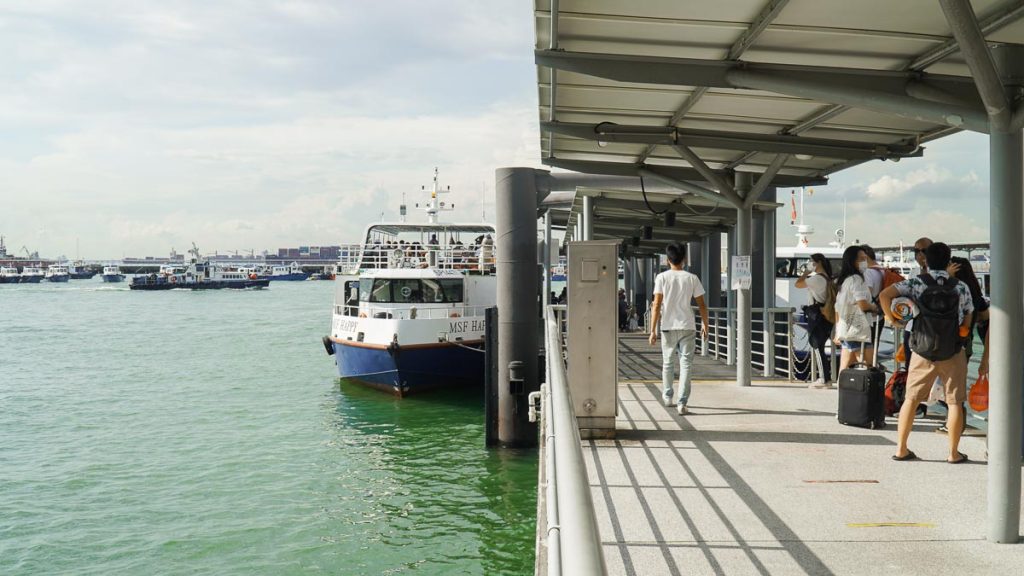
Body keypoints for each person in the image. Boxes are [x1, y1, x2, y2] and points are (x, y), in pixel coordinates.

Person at [881, 242, 973, 463]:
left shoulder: (916, 283)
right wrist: (961, 334)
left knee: (911, 400)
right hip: (952, 350)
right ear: (949, 260)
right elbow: (968, 315)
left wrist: (891, 318)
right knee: (954, 402)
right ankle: (953, 453)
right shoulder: (960, 286)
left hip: (922, 349)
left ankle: (901, 449)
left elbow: (885, 295)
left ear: (926, 260)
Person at [649, 242, 710, 415]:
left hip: (667, 326)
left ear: (667, 260)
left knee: (668, 363)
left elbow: (656, 304)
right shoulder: (692, 278)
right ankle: (682, 403)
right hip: (688, 326)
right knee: (686, 365)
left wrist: (652, 330)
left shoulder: (661, 278)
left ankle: (668, 396)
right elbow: (702, 305)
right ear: (684, 259)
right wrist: (705, 324)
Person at [834, 246, 880, 372]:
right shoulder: (857, 280)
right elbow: (863, 305)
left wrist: (838, 331)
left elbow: (837, 307)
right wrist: (874, 307)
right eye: (861, 259)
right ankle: (865, 391)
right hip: (858, 330)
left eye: (865, 258)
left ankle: (843, 390)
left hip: (846, 328)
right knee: (868, 366)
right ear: (852, 261)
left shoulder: (845, 281)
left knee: (845, 367)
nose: (865, 262)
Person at [795, 253, 834, 388]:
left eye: (811, 261)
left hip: (817, 315)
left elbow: (798, 284)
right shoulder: (827, 278)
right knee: (819, 346)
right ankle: (825, 378)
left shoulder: (817, 279)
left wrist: (806, 272)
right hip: (826, 315)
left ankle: (824, 379)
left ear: (818, 263)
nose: (809, 263)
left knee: (817, 346)